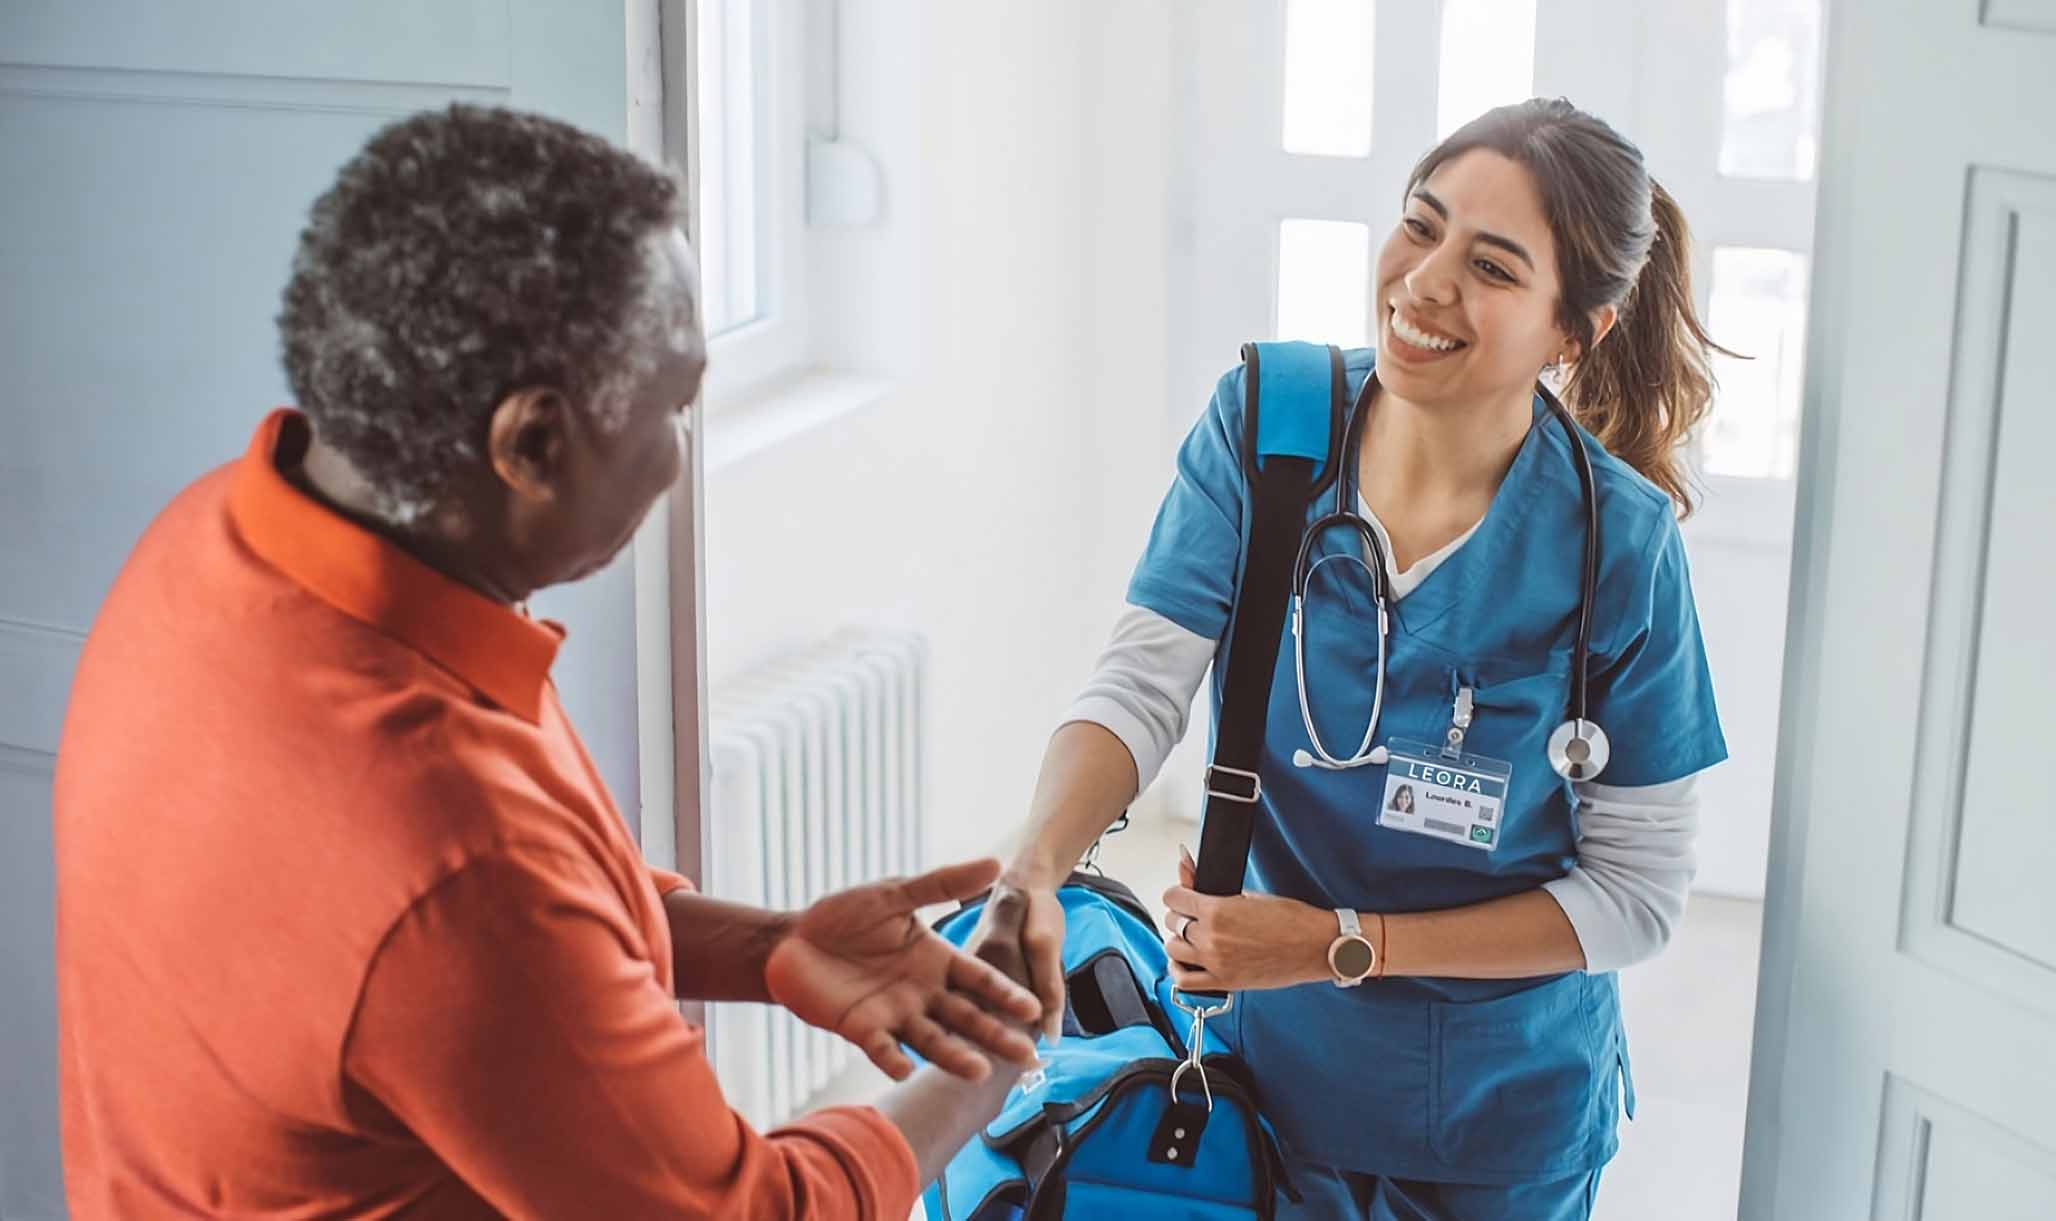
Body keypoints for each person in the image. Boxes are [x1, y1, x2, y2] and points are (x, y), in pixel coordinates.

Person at [53, 103, 1041, 1219]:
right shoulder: (444, 850)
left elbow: (469, 957)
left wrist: (771, 947)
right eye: (674, 404)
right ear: (529, 443)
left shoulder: (213, 541)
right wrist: (994, 1050)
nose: (679, 452)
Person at [974, 99, 1728, 1220]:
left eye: (1491, 266)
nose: (1424, 284)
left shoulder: (1619, 543)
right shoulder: (1270, 428)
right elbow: (1138, 687)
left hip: (1501, 1112)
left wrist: (1339, 945)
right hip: (1267, 1078)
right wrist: (1028, 874)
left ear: (1576, 331)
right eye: (1419, 227)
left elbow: (1637, 896)